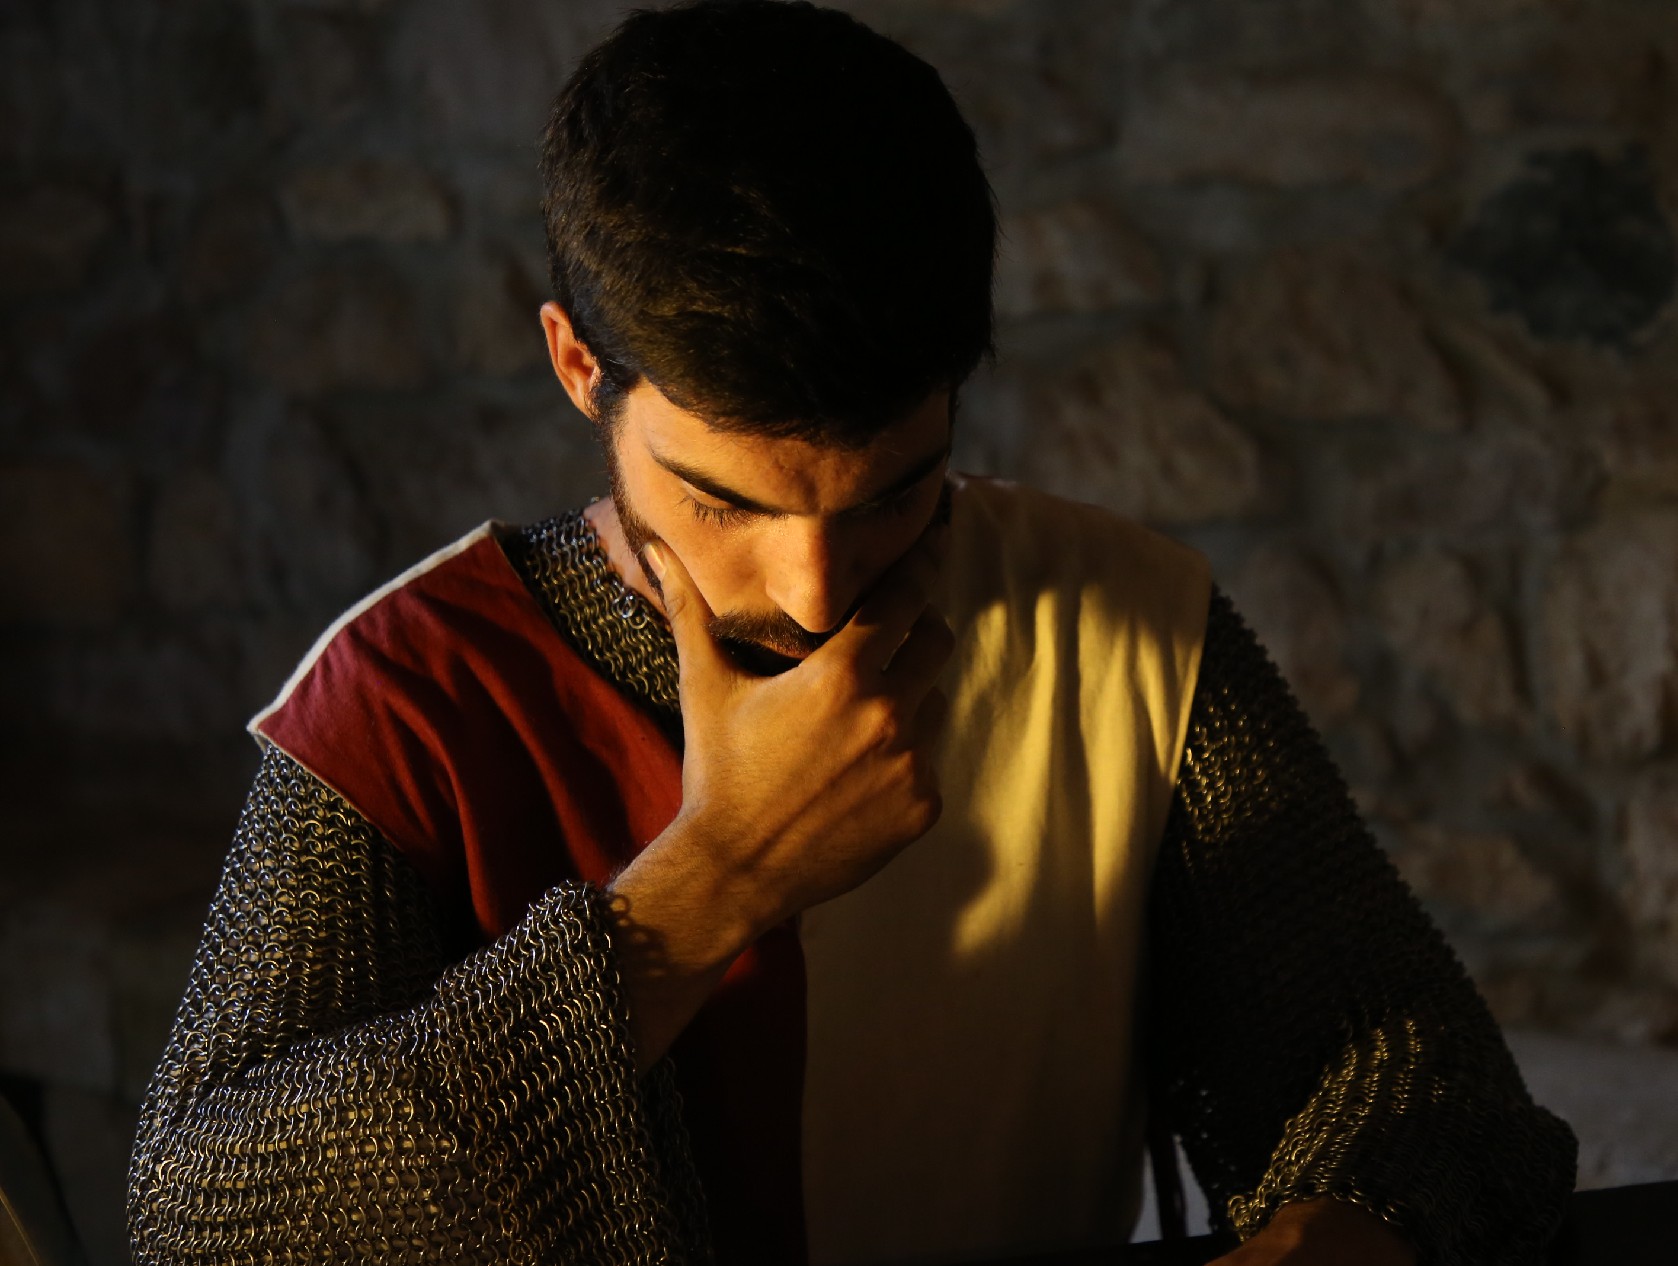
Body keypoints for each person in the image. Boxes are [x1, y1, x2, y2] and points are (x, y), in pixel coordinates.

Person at [126, 2, 1576, 1263]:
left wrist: (1354, 1224)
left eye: (893, 493)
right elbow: (209, 1220)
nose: (817, 589)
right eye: (724, 499)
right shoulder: (407, 694)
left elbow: (1415, 1083)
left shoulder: (1125, 627)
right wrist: (706, 890)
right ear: (577, 363)